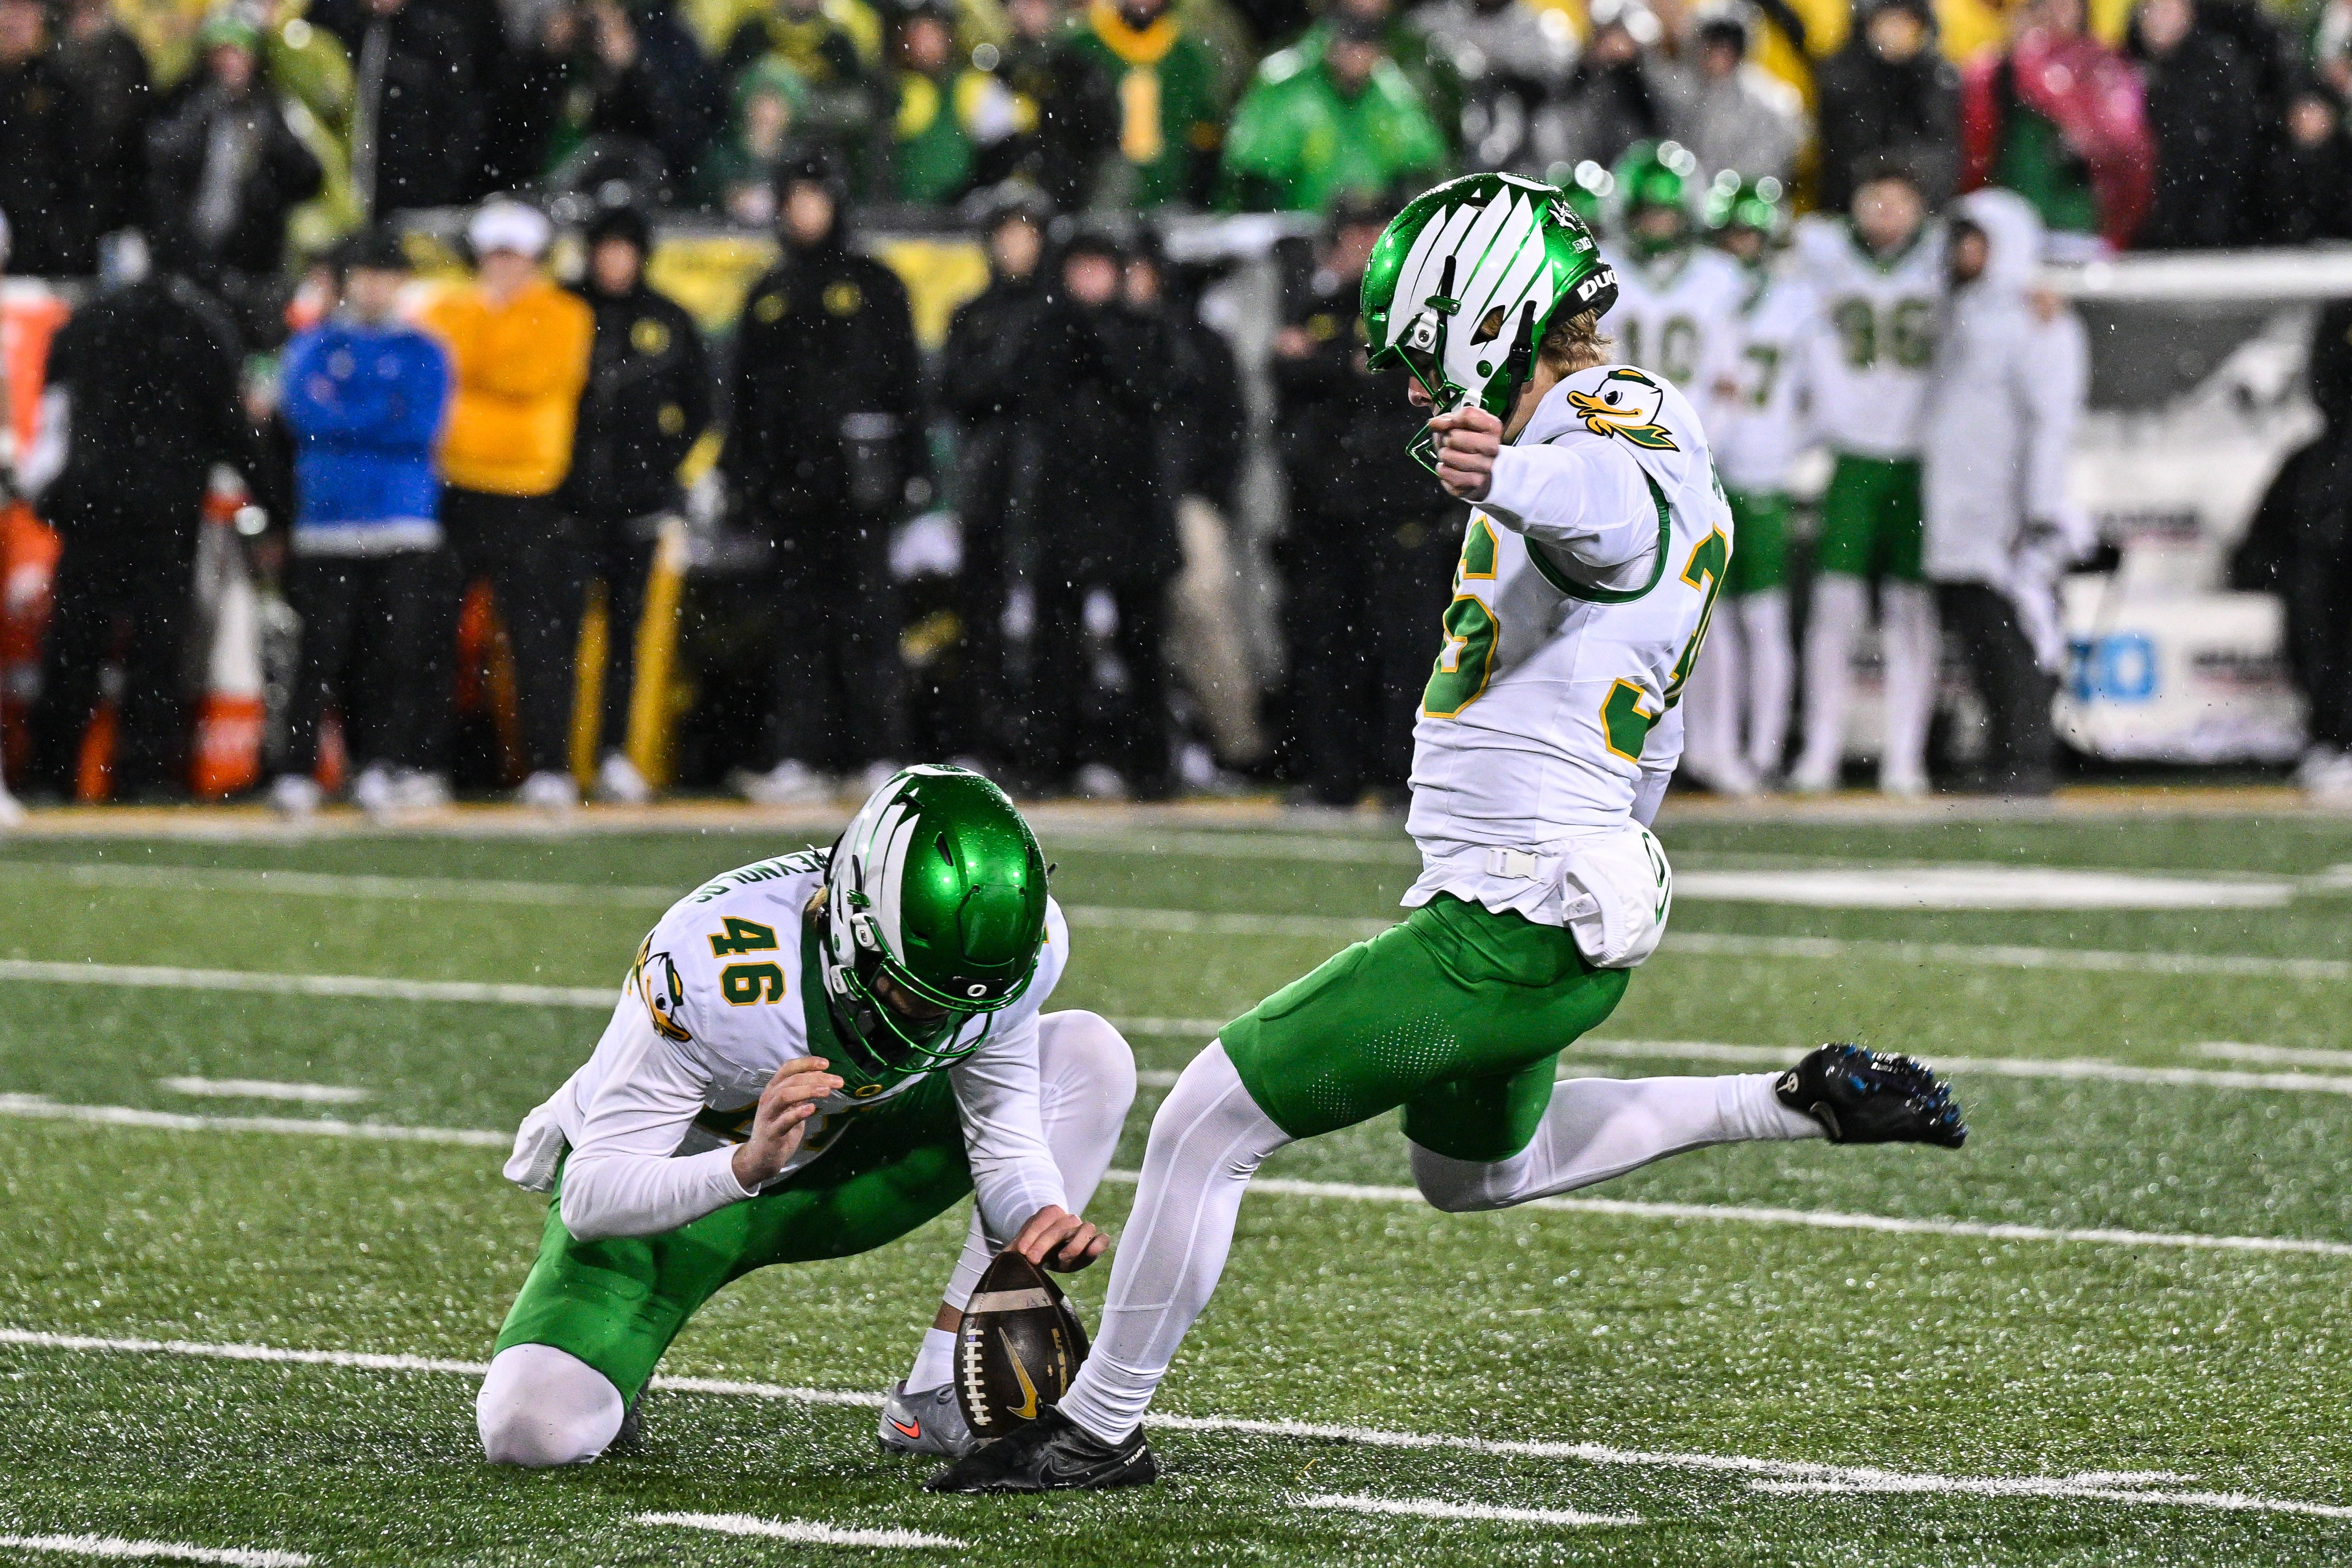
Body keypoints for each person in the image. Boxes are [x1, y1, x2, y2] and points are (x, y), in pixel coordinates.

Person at [926, 173, 1965, 1495]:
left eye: (1423, 355)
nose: (1415, 389)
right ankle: (1788, 1100)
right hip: (1548, 905)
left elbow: (1618, 527)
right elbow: (1650, 721)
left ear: (1485, 318)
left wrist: (1514, 475)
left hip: (1515, 912)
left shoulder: (1600, 420)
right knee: (1477, 1174)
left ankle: (1098, 1424)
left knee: (1203, 1121)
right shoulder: (1585, 428)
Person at [477, 765, 1138, 1467]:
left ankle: (939, 1388)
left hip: (843, 1168)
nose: (939, 1021)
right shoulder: (716, 967)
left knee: (1087, 1054)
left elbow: (1004, 1141)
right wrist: (743, 1164)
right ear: (853, 926)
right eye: (917, 994)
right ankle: (620, 1357)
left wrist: (1040, 1217)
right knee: (531, 1433)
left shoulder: (1010, 956)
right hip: (674, 1198)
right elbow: (590, 1195)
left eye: (963, 1005)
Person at [24, 253, 273, 802]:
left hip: (91, 504)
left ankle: (51, 770)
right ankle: (142, 775)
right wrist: (276, 502)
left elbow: (55, 419)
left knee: (75, 641)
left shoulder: (88, 322)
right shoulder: (204, 326)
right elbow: (231, 427)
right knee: (156, 648)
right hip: (166, 512)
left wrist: (53, 495)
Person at [726, 153, 920, 806]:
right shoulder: (770, 291)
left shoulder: (876, 285)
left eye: (815, 197)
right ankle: (799, 753)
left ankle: (878, 753)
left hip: (859, 491)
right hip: (791, 491)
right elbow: (746, 399)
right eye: (795, 198)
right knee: (798, 627)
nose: (805, 211)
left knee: (869, 621)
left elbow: (907, 386)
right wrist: (745, 477)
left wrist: (910, 471)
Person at [1272, 191, 1453, 808]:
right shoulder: (1321, 305)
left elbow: (1393, 377)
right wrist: (1339, 366)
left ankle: (1409, 777)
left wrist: (1332, 365)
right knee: (1328, 643)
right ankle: (1335, 774)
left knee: (1407, 646)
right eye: (1353, 236)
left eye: (1374, 236)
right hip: (1330, 506)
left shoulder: (1423, 314)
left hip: (1399, 504)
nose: (1363, 249)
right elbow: (1289, 375)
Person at [269, 228, 453, 821]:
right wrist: (380, 411)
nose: (374, 286)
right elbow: (305, 414)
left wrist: (350, 414)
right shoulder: (313, 347)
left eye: (385, 274)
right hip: (329, 520)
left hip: (402, 521)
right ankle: (297, 770)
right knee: (319, 652)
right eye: (365, 274)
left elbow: (419, 425)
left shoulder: (426, 351)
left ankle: (379, 765)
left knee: (392, 654)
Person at [419, 198, 595, 812]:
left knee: (537, 640)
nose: (503, 267)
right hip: (456, 488)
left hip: (528, 493)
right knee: (433, 635)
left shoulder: (566, 314)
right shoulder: (448, 308)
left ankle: (548, 765)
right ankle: (425, 762)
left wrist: (476, 358)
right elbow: (438, 370)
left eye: (515, 256)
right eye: (494, 254)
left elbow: (525, 374)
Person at [1918, 189, 2087, 797]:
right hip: (1957, 508)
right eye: (1960, 240)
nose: (1964, 253)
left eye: (1978, 241)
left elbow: (2050, 420)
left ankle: (2028, 753)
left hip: (2004, 508)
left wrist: (2040, 504)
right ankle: (2002, 750)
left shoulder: (2036, 321)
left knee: (2016, 633)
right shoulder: (1960, 311)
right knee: (1979, 637)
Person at [1787, 157, 1945, 796]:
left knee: (1912, 613)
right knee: (1835, 610)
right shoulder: (1819, 252)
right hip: (1851, 455)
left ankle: (1905, 756)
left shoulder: (1943, 256)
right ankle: (1821, 749)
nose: (1886, 214)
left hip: (1917, 456)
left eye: (1898, 201)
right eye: (1874, 200)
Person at [1004, 225, 1177, 798]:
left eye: (1100, 268)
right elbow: (1023, 391)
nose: (1090, 281)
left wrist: (1101, 336)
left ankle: (1150, 765)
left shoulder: (1146, 329)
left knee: (1141, 646)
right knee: (1056, 648)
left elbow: (1154, 391)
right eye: (1080, 269)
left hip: (1131, 511)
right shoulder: (1044, 332)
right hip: (1067, 512)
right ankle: (1048, 760)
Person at [1597, 141, 1749, 794]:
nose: (1656, 225)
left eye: (1666, 214)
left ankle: (1716, 749)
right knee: (1618, 620)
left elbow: (1729, 383)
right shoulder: (1600, 272)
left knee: (1701, 620)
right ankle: (1617, 751)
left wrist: (1689, 455)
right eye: (1646, 213)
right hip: (1617, 468)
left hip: (1691, 469)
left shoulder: (1720, 279)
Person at [558, 200, 711, 807]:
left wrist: (660, 469)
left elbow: (700, 408)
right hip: (569, 507)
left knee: (626, 636)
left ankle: (615, 754)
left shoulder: (669, 319)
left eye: (625, 248)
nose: (615, 261)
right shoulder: (565, 312)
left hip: (639, 508)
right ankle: (556, 757)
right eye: (606, 247)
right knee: (558, 637)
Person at [937, 184, 1052, 767]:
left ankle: (1042, 742)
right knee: (983, 618)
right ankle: (989, 737)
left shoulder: (1058, 313)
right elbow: (955, 391)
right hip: (987, 487)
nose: (1015, 247)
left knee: (1045, 618)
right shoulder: (972, 315)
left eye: (1025, 234)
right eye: (1005, 235)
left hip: (1047, 491)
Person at [1703, 174, 1808, 787]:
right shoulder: (1701, 292)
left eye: (1750, 235)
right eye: (1731, 235)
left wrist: (1790, 443)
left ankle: (1763, 750)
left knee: (1762, 620)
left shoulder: (1797, 301)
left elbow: (1823, 393)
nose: (1741, 246)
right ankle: (1712, 749)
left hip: (1763, 474)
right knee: (1707, 623)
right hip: (1706, 474)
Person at [2235, 302, 2352, 798]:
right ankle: (2332, 742)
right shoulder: (2312, 459)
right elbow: (2260, 544)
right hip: (2322, 572)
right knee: (2318, 626)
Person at [144, 13, 324, 308]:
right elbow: (162, 162)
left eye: (238, 53)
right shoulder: (187, 102)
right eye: (221, 54)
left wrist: (268, 176)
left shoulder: (271, 107)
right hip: (189, 254)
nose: (230, 64)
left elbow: (309, 175)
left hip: (252, 260)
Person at [1960, 0, 2153, 255]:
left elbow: (2127, 152)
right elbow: (1977, 148)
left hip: (2076, 221)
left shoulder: (2102, 68)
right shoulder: (1998, 72)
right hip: (2010, 218)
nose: (2056, 12)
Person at [1221, 10, 1448, 213]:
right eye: (1350, 46)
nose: (1357, 58)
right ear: (1332, 45)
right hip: (1295, 227)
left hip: (1369, 228)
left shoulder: (1391, 90)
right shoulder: (1286, 82)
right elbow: (1253, 172)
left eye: (1366, 48)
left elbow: (1421, 161)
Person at [317, 0, 483, 220]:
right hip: (335, 201)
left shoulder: (433, 36)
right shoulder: (331, 28)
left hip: (409, 206)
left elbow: (460, 121)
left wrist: (434, 186)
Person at [1063, 0, 1225, 208]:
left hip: (1172, 199)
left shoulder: (1187, 55)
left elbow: (1205, 132)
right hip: (1096, 197)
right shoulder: (1085, 47)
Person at [2126, 0, 2258, 250]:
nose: (2161, 20)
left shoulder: (2217, 69)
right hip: (2135, 229)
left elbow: (2235, 149)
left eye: (2170, 10)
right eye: (2153, 10)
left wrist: (2214, 216)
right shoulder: (2121, 66)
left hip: (2201, 230)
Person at [1812, 0, 1959, 214]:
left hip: (1918, 211)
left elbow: (1942, 152)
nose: (1897, 32)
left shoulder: (1937, 79)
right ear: (1868, 24)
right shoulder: (1841, 77)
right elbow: (1839, 154)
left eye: (1908, 22)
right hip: (1847, 210)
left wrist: (1904, 195)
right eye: (1890, 21)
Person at [1409, 0, 1576, 174]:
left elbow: (1560, 79)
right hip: (1449, 148)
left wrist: (1500, 74)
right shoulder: (1438, 20)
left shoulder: (1543, 28)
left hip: (1526, 157)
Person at [1664, 8, 1807, 187]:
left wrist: (1728, 190)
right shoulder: (1677, 91)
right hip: (1687, 200)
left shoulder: (1768, 102)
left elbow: (1775, 156)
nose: (1720, 54)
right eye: (1714, 43)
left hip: (1744, 201)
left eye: (1729, 46)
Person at [0, 0, 91, 277]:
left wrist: (67, 237)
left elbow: (79, 167)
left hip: (43, 244)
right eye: (7, 9)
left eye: (25, 11)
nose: (14, 22)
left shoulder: (58, 85)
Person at [55, 0, 153, 248]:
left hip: (114, 183)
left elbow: (133, 120)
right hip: (64, 183)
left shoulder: (125, 53)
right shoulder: (54, 51)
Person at [1542, 0, 1671, 172]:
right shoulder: (1578, 85)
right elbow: (1569, 135)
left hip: (1639, 177)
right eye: (1611, 36)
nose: (1618, 48)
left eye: (1626, 40)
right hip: (1587, 173)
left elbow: (1667, 129)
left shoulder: (1648, 87)